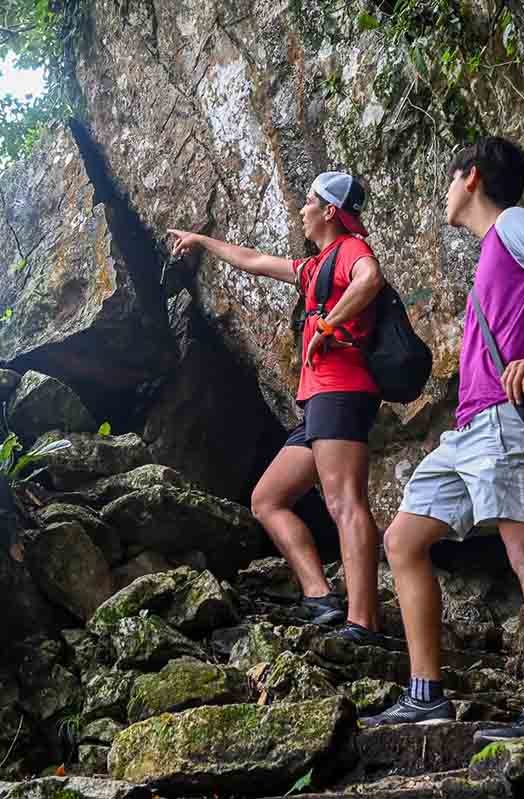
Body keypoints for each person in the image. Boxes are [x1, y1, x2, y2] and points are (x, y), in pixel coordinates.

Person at [360, 137, 524, 740]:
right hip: (470, 427)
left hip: (506, 421)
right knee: (403, 540)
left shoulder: (515, 224)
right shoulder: (491, 250)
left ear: (470, 177)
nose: (444, 195)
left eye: (449, 180)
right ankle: (426, 696)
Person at [168, 171, 387, 645]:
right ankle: (320, 596)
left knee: (344, 502)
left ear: (330, 211)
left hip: (343, 391)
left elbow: (370, 278)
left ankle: (363, 621)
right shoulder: (316, 266)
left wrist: (328, 326)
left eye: (309, 201)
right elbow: (254, 260)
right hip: (319, 405)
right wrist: (202, 240)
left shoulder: (350, 249)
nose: (302, 209)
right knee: (267, 499)